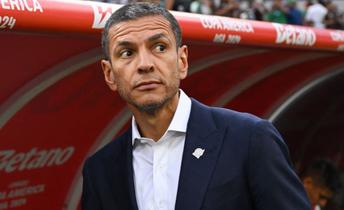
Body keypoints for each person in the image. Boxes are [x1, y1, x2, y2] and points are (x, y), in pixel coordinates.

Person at [81, 3, 311, 210]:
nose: (145, 64)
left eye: (159, 47)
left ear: (182, 61)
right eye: (127, 52)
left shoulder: (250, 139)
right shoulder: (99, 170)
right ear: (109, 74)